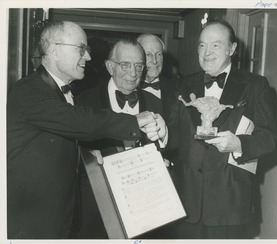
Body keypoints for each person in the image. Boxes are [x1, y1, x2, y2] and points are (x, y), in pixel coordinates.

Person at [7, 21, 164, 239]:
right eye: (81, 49)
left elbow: (53, 139)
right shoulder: (29, 91)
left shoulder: (62, 92)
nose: (89, 57)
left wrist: (85, 154)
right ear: (54, 50)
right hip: (32, 221)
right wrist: (135, 121)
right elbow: (78, 121)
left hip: (59, 218)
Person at [174, 20, 277, 239]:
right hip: (186, 203)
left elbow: (269, 139)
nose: (207, 52)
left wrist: (239, 144)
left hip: (229, 204)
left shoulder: (255, 85)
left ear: (232, 49)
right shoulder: (184, 84)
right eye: (202, 45)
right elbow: (175, 136)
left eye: (216, 45)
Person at [75, 38, 168, 239]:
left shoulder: (155, 103)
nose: (133, 73)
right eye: (125, 65)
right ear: (110, 67)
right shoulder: (84, 102)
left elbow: (166, 149)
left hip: (145, 209)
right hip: (97, 211)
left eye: (138, 66)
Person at [137, 34, 180, 169]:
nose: (155, 61)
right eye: (148, 55)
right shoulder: (124, 88)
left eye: (159, 54)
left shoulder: (179, 88)